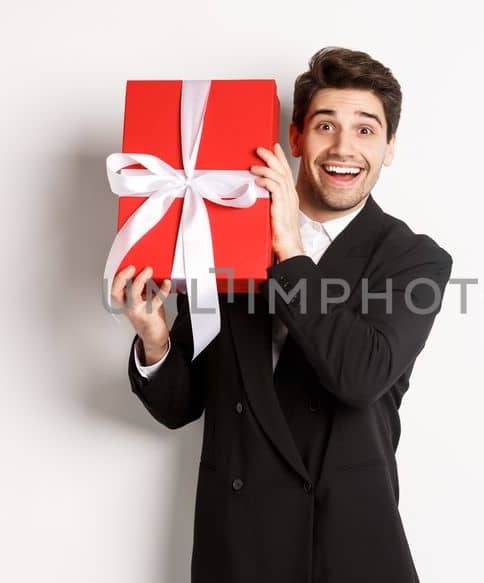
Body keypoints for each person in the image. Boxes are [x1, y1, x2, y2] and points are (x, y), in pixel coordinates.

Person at [109, 46, 452, 583]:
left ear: (389, 148)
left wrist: (290, 252)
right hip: (238, 549)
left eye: (366, 130)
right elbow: (182, 405)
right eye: (325, 126)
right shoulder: (220, 240)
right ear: (294, 138)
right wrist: (155, 340)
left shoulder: (413, 259)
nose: (344, 148)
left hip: (348, 550)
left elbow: (358, 376)